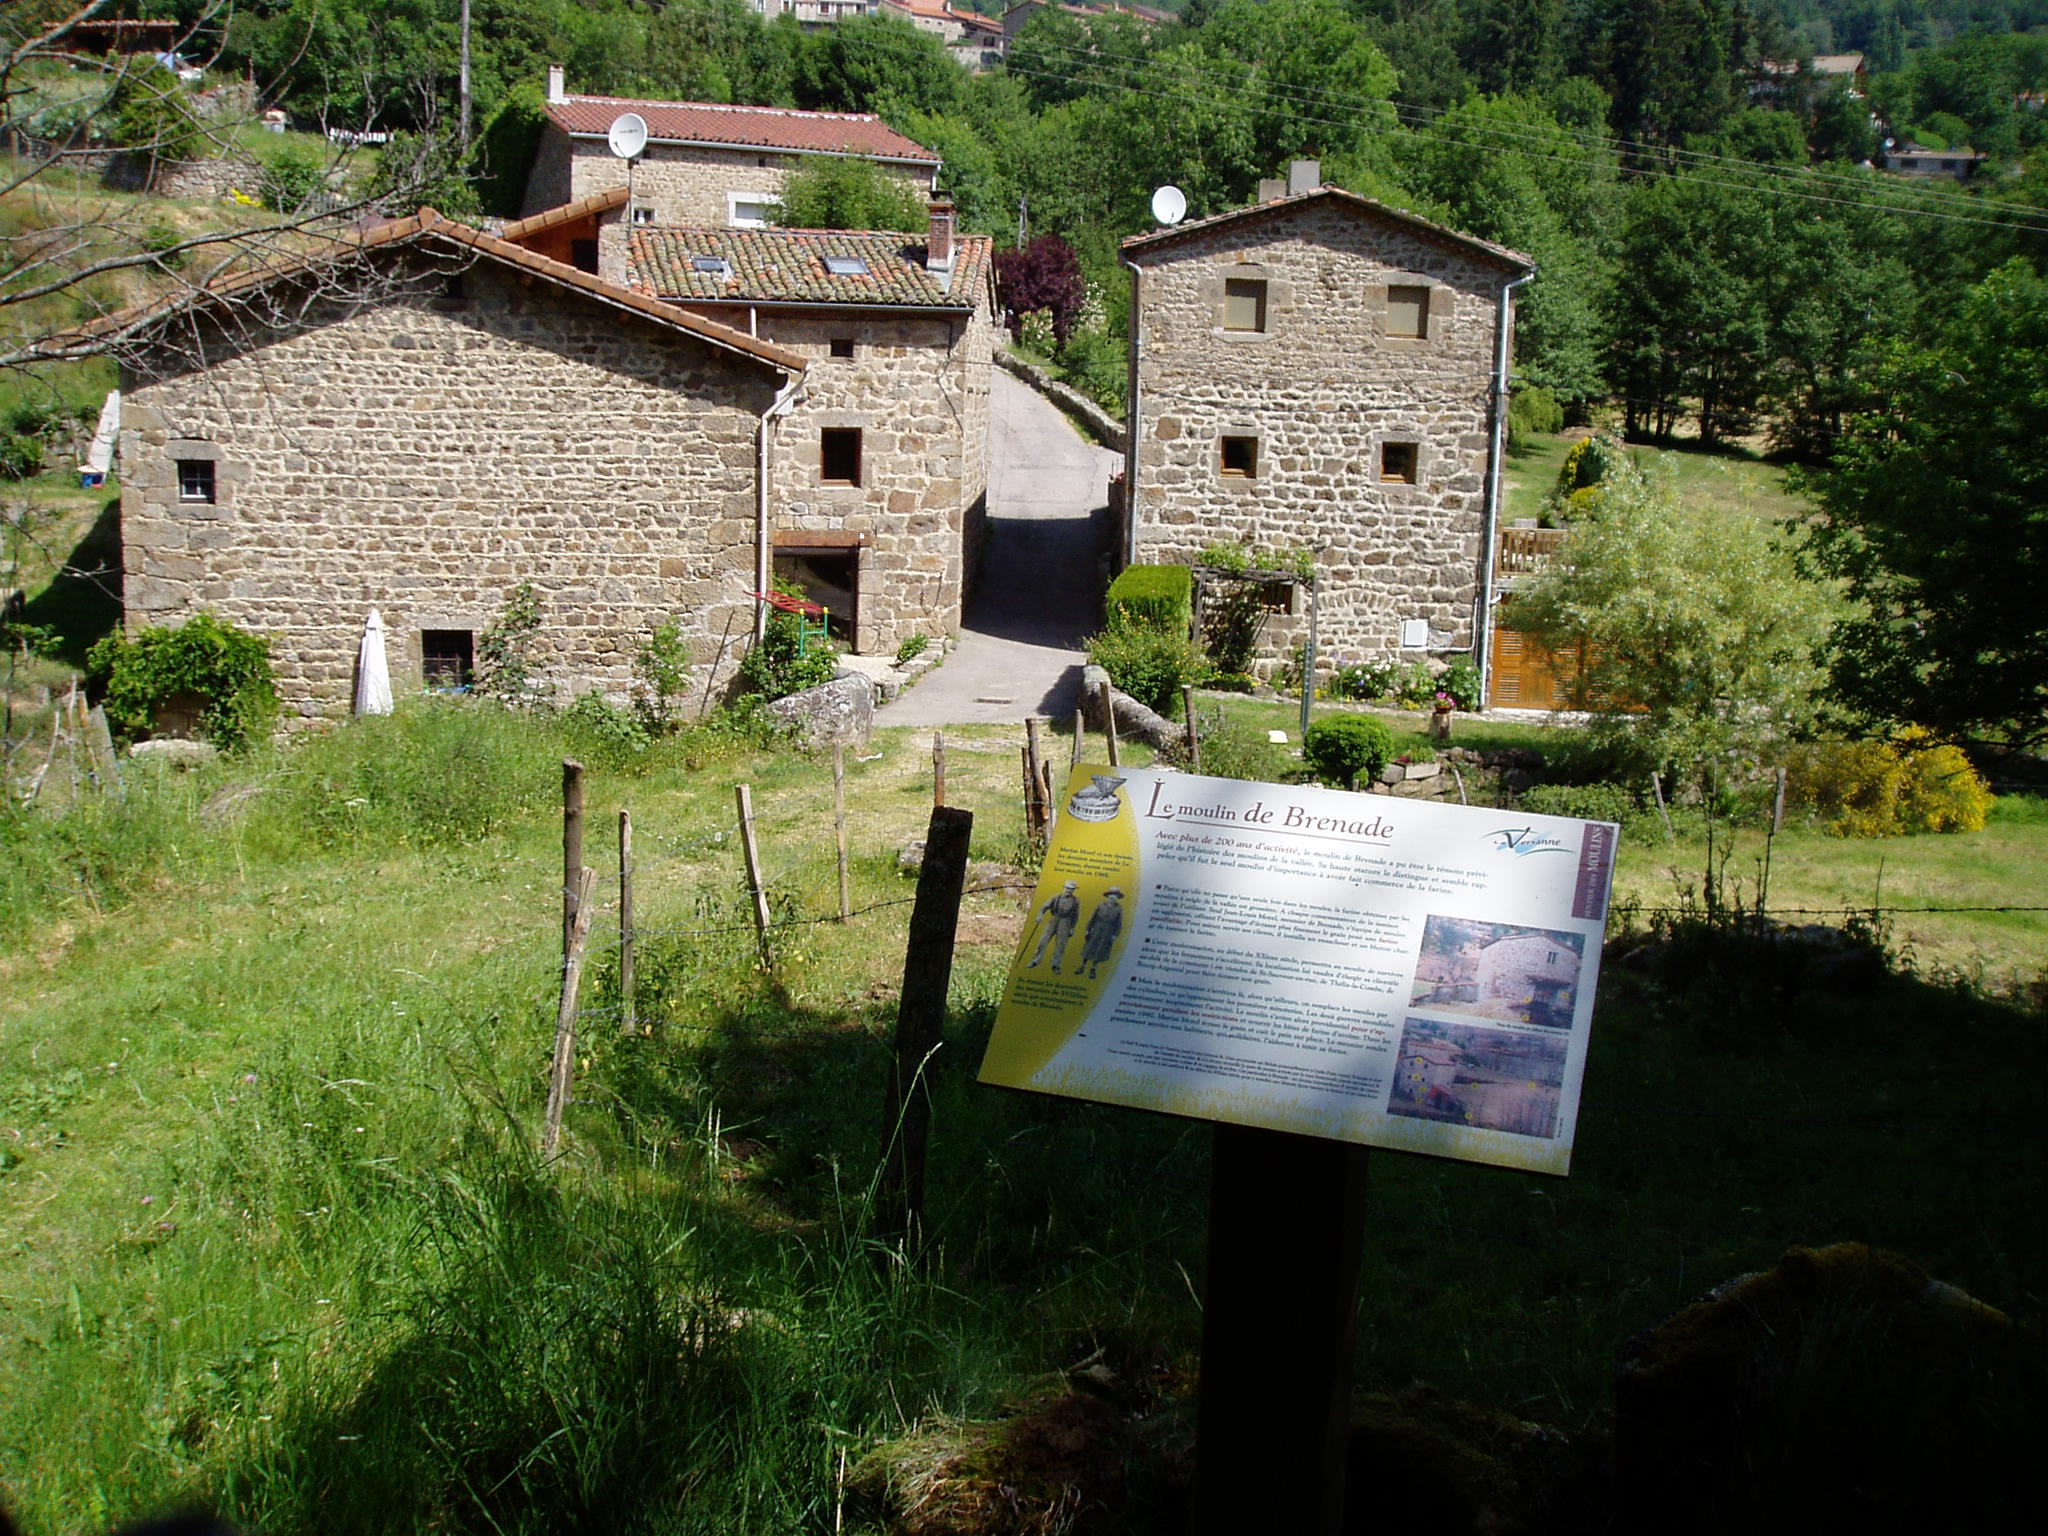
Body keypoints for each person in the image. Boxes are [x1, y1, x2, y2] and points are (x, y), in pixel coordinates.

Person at [1028, 880, 1082, 971]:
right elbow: (1044, 907)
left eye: (1071, 889)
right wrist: (1039, 916)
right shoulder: (1056, 897)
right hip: (1054, 920)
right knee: (1043, 941)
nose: (1069, 890)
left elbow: (1076, 916)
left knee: (1060, 945)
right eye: (1068, 888)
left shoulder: (1075, 901)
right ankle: (1035, 960)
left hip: (1066, 923)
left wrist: (1072, 928)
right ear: (1064, 888)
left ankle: (1056, 965)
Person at [1080, 886, 1124, 979]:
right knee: (1089, 947)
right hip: (1096, 928)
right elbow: (1093, 917)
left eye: (1115, 895)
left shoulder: (1118, 909)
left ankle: (1093, 969)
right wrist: (1088, 929)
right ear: (1108, 896)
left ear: (1117, 897)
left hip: (1108, 931)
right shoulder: (1101, 905)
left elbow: (1119, 923)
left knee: (1100, 950)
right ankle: (1082, 966)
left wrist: (1115, 935)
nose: (1112, 897)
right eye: (1111, 895)